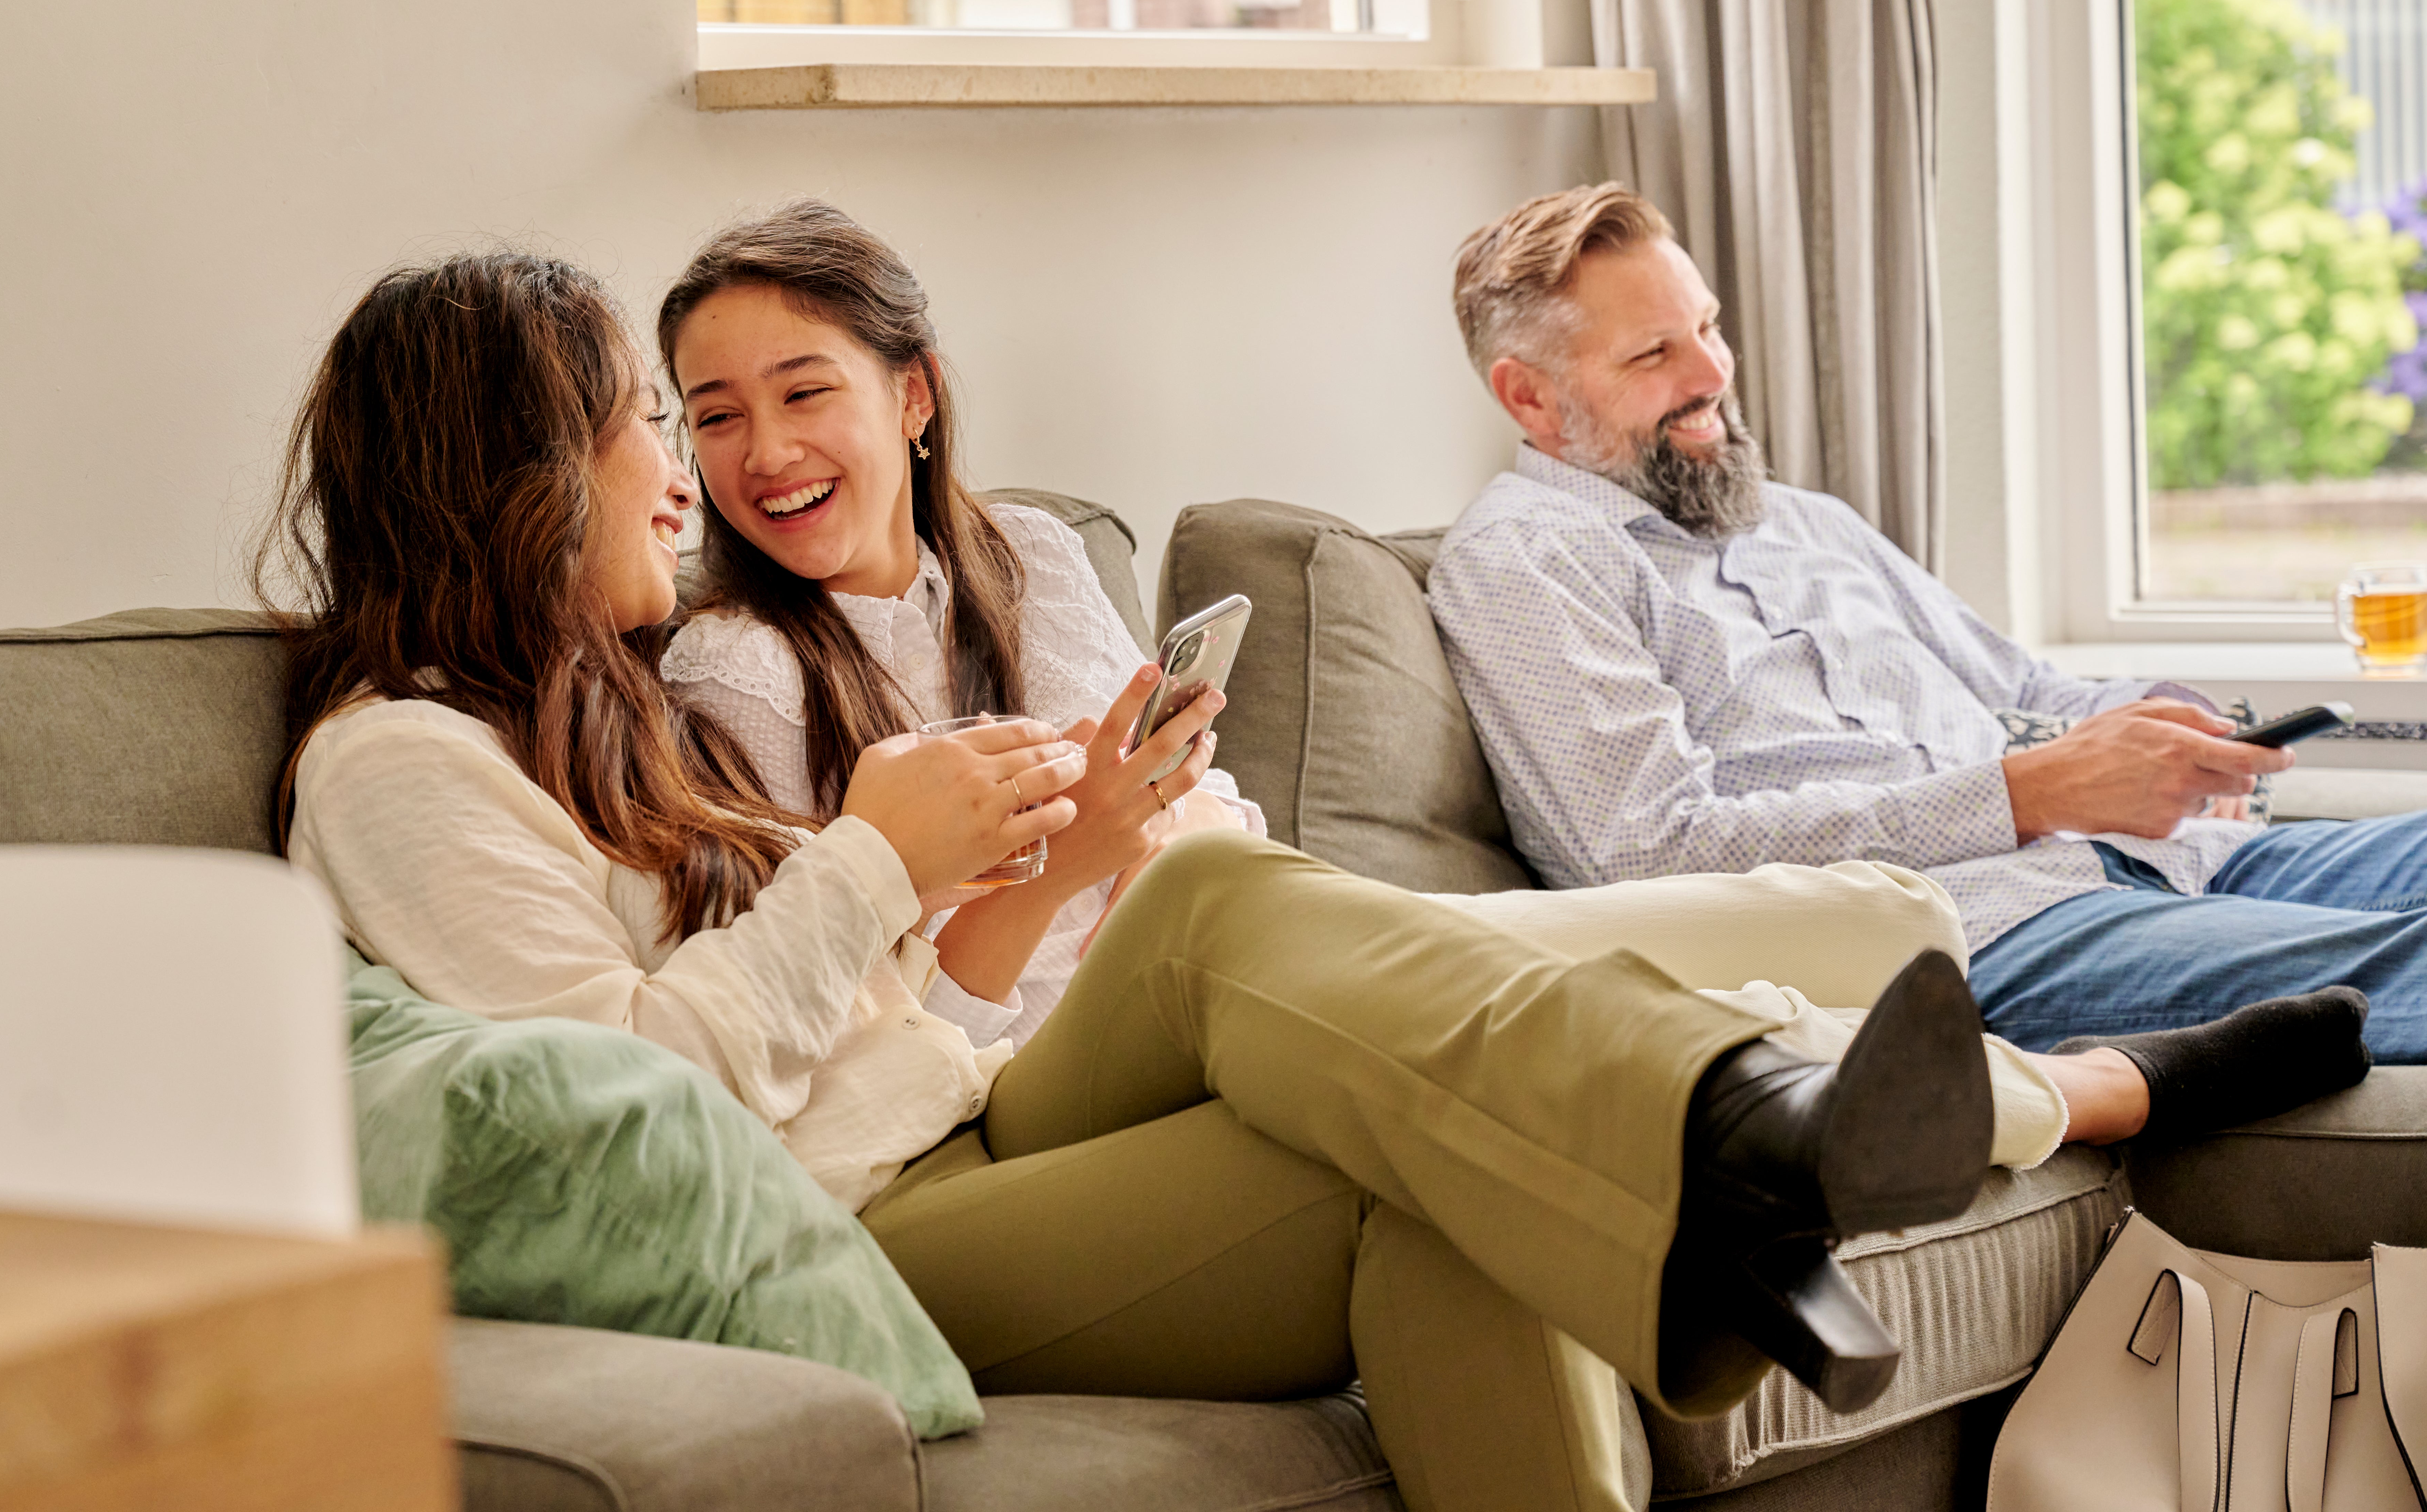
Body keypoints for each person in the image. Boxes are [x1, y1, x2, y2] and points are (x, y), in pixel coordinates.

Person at [261, 247, 1995, 1512]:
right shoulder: (400, 765)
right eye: (655, 421)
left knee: (1217, 908)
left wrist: (986, 886)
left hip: (942, 1100)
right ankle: (1733, 1142)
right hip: (850, 1212)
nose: (687, 473)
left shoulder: (597, 711)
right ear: (516, 474)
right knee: (1434, 1178)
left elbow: (890, 1013)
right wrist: (875, 858)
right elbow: (640, 1110)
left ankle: (1738, 1118)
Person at [649, 200, 2213, 1168]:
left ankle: (1924, 1101)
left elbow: (1204, 803)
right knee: (1517, 990)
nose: (764, 453)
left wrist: (1176, 844)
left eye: (805, 393)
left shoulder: (1039, 561)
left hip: (1244, 939)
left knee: (1878, 915)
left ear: (913, 398)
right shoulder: (736, 664)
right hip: (1051, 1057)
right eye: (713, 417)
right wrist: (1097, 850)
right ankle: (2062, 1100)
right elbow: (875, 1002)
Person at [1426, 181, 2392, 1114]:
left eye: (1711, 327)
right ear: (1532, 399)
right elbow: (1652, 855)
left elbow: (2023, 685)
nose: (1714, 374)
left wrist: (2163, 724)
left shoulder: (1804, 522)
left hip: (2152, 861)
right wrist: (2028, 794)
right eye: (1654, 355)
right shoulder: (1526, 561)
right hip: (1984, 940)